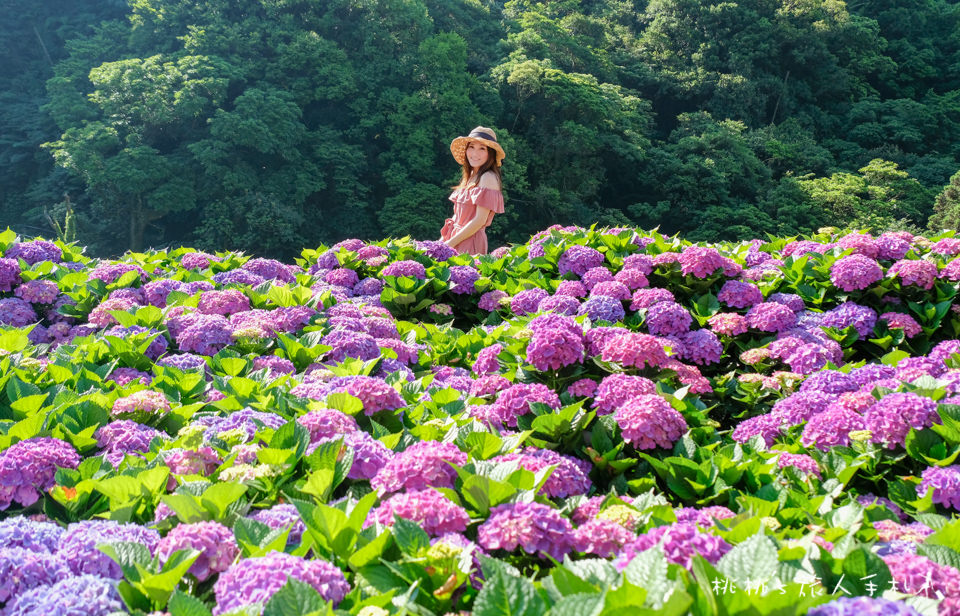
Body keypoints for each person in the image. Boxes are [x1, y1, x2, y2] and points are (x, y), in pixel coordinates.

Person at [440, 126, 506, 255]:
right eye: (471, 147)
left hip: (469, 241)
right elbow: (457, 217)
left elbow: (479, 220)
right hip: (455, 238)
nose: (475, 154)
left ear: (490, 153)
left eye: (482, 149)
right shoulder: (471, 176)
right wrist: (441, 243)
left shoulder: (488, 177)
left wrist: (449, 244)